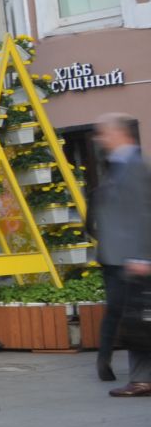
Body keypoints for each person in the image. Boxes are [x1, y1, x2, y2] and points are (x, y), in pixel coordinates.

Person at [92, 113, 151, 394]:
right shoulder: (116, 166)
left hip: (133, 259)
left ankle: (141, 380)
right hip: (116, 258)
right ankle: (139, 377)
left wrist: (142, 257)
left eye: (103, 132)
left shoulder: (135, 166)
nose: (99, 138)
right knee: (131, 314)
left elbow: (143, 214)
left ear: (119, 134)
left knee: (139, 315)